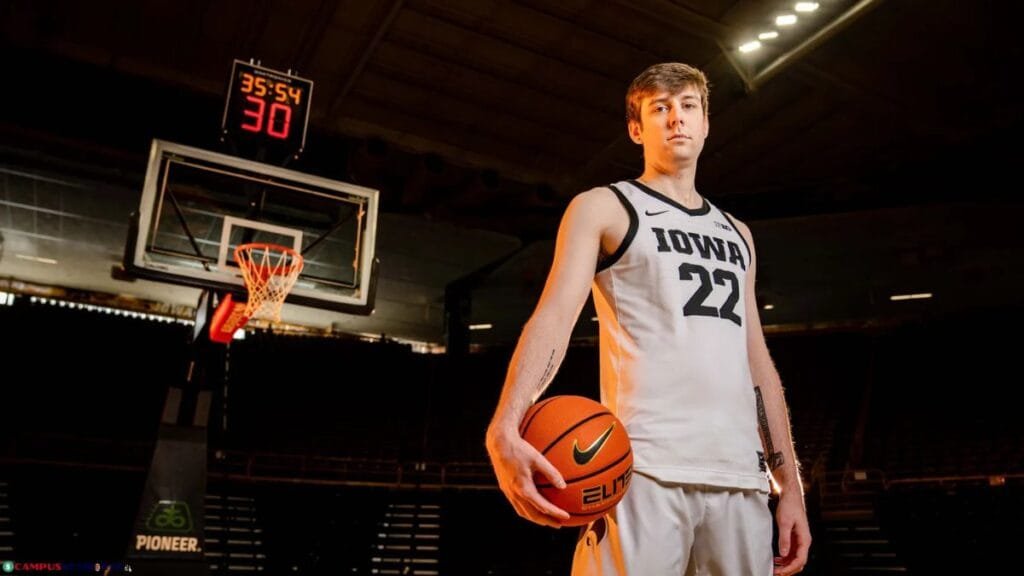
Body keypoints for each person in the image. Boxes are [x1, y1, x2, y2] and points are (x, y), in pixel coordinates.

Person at [484, 62, 811, 575]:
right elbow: (554, 319)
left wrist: (789, 487)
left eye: (688, 107)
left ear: (706, 123)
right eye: (660, 108)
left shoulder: (738, 233)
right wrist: (506, 422)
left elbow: (758, 367)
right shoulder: (605, 207)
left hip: (740, 480)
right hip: (645, 471)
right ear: (637, 128)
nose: (676, 118)